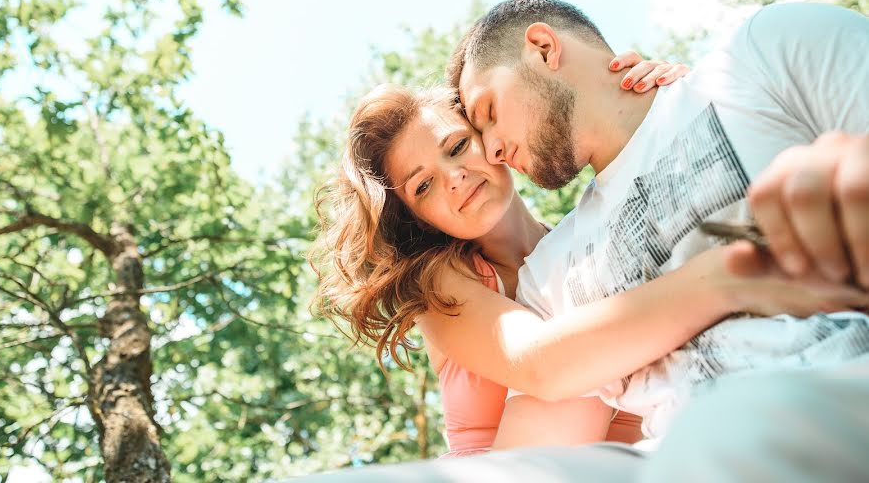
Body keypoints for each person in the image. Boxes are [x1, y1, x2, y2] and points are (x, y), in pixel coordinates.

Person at [309, 55, 866, 458]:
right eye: (423, 186)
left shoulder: (585, 249)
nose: (454, 179)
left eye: (457, 147)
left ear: (491, 139)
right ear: (418, 217)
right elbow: (545, 367)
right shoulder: (443, 283)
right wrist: (731, 276)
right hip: (519, 465)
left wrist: (661, 106)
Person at [446, 0, 869, 475]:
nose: (493, 151)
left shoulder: (760, 56)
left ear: (543, 48)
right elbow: (527, 467)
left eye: (489, 112)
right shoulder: (548, 276)